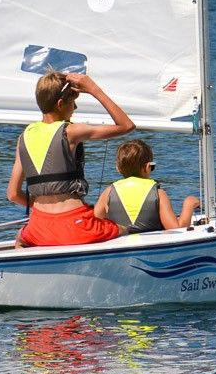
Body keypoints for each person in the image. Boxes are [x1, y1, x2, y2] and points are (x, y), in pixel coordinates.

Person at [7, 71, 135, 246]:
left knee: (20, 238)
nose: (75, 108)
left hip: (38, 228)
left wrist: (44, 207)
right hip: (75, 226)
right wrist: (93, 89)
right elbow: (126, 125)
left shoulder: (24, 137)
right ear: (60, 104)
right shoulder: (71, 132)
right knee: (125, 229)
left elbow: (13, 194)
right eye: (73, 103)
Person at [94, 139, 200, 233]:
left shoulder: (108, 192)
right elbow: (176, 228)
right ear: (148, 167)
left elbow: (94, 224)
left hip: (119, 248)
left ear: (118, 168)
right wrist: (189, 204)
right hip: (152, 249)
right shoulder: (158, 193)